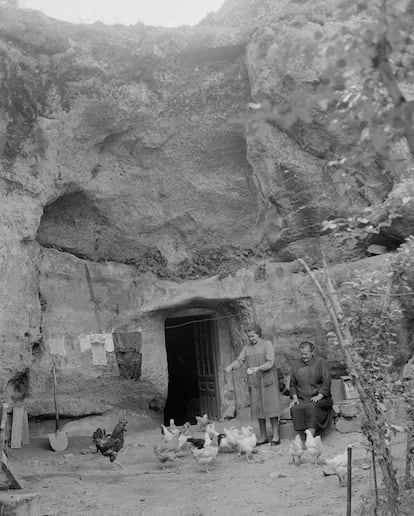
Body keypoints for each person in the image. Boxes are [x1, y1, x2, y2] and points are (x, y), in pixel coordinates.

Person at [225, 324, 282, 445]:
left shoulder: (267, 344)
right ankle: (263, 436)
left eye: (252, 336)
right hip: (255, 383)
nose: (251, 339)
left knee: (271, 408)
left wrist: (257, 368)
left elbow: (270, 363)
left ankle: (276, 436)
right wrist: (231, 366)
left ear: (258, 334)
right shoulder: (247, 348)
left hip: (267, 382)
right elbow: (240, 361)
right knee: (258, 408)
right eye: (249, 337)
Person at [289, 341, 333, 439]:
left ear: (312, 352)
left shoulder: (320, 362)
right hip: (303, 398)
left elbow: (327, 380)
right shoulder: (296, 365)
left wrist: (320, 395)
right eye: (302, 354)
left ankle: (310, 438)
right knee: (295, 408)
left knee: (312, 407)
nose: (304, 356)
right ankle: (303, 436)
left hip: (320, 398)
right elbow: (292, 384)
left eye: (306, 354)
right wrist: (295, 398)